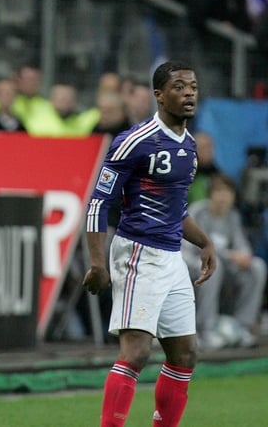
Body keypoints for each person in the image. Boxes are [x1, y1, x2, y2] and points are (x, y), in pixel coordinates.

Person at [83, 60, 217, 427]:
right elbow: (99, 201)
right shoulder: (133, 141)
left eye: (193, 86)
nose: (189, 93)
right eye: (179, 86)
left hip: (172, 256)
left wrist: (204, 242)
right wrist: (97, 262)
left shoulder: (188, 145)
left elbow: (176, 208)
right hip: (138, 252)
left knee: (185, 354)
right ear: (159, 95)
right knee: (137, 352)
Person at [183, 173, 266, 349]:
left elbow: (243, 248)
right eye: (219, 192)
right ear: (210, 194)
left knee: (257, 267)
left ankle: (242, 327)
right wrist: (229, 255)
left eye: (228, 192)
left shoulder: (233, 216)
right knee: (214, 266)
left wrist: (242, 257)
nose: (223, 197)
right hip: (192, 264)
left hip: (222, 267)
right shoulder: (198, 212)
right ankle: (206, 330)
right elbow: (187, 250)